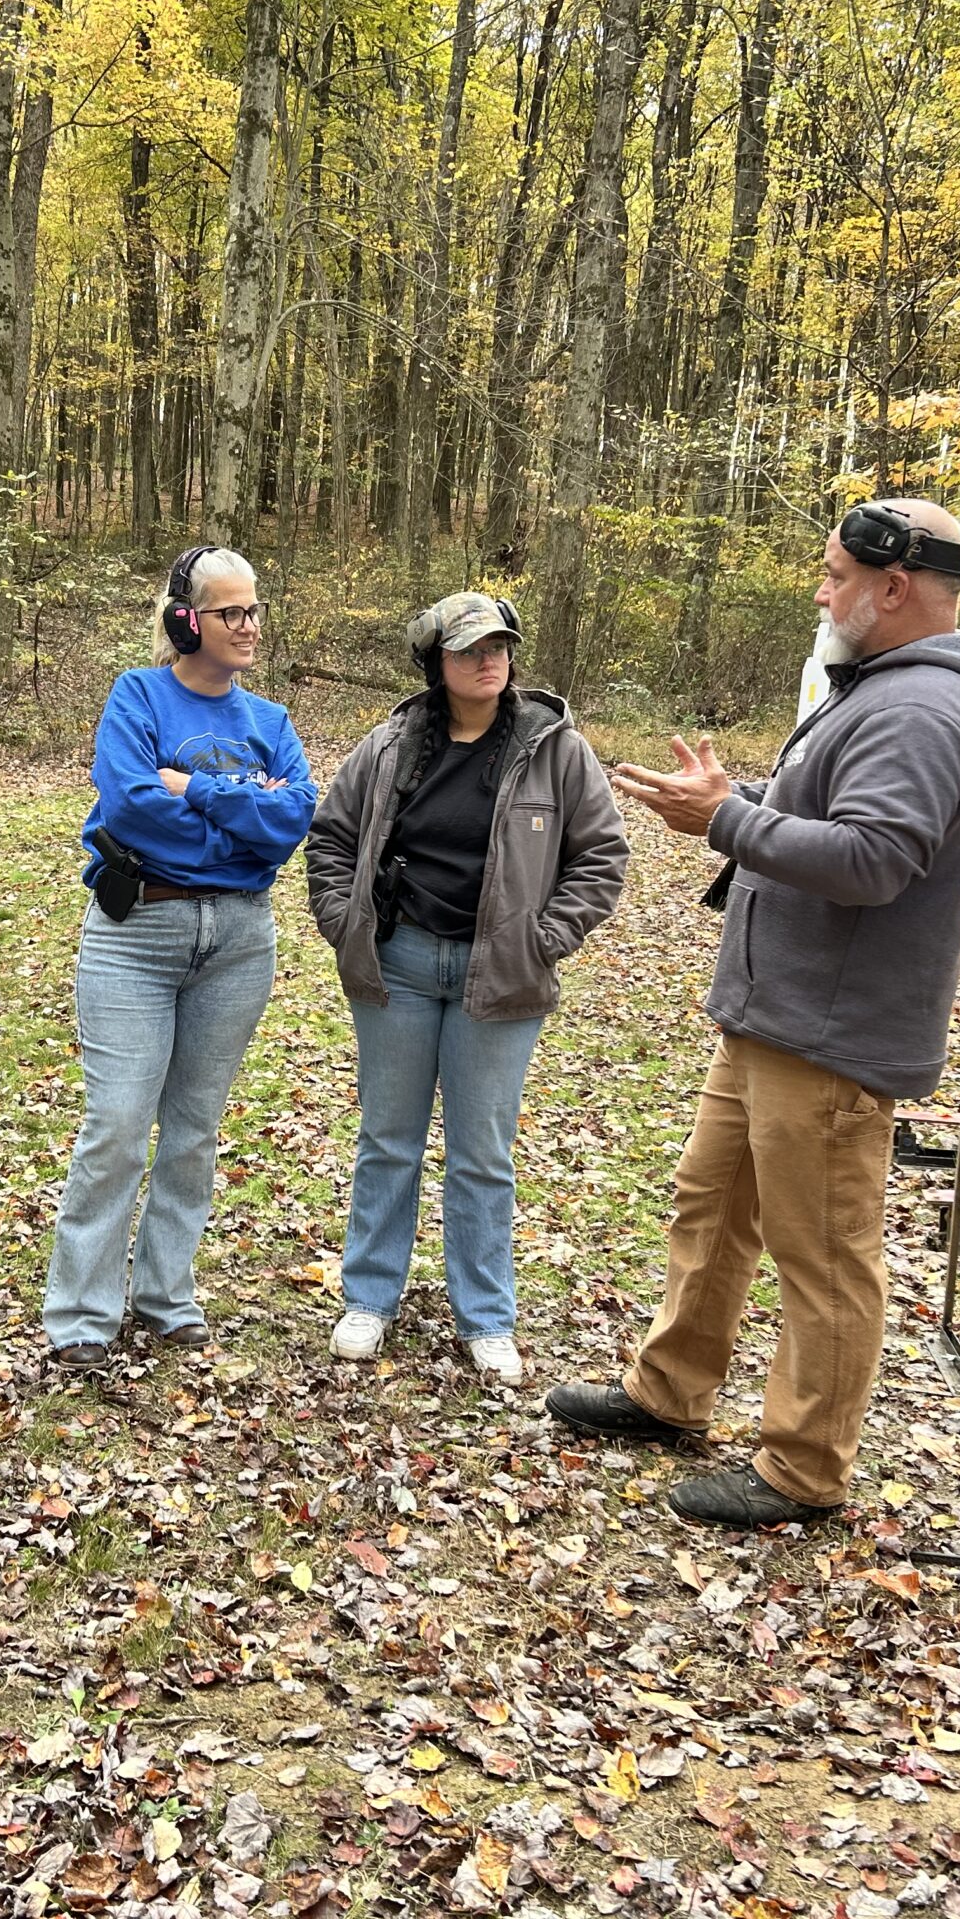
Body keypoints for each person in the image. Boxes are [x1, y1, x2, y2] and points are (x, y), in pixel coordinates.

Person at [544, 499, 960, 1529]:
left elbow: (873, 859)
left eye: (836, 574)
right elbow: (823, 816)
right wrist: (739, 797)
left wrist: (723, 819)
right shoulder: (884, 688)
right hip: (776, 1018)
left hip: (833, 1036)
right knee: (711, 1207)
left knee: (824, 1257)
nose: (821, 591)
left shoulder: (922, 709)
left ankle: (804, 1467)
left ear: (893, 586)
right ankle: (670, 1390)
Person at [304, 593, 628, 1386]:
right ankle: (369, 1299)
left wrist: (543, 939)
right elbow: (331, 837)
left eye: (500, 646)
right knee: (389, 1140)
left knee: (482, 1154)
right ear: (434, 662)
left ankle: (486, 1317)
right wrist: (347, 922)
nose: (489, 661)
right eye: (469, 650)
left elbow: (601, 857)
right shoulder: (389, 745)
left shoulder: (555, 748)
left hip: (501, 977)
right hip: (400, 967)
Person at [40, 545, 318, 1374]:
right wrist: (244, 815)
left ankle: (167, 1294)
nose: (250, 625)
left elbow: (292, 822)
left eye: (255, 609)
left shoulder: (270, 721)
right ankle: (82, 1314)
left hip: (239, 940)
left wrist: (193, 789)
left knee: (193, 1130)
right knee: (119, 1125)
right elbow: (131, 807)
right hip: (138, 935)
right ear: (185, 620)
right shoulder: (137, 695)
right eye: (232, 612)